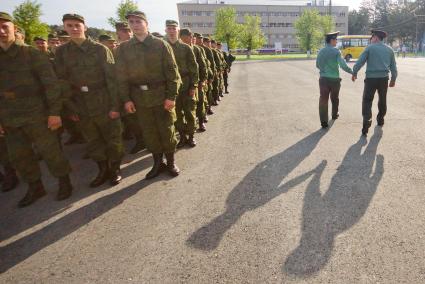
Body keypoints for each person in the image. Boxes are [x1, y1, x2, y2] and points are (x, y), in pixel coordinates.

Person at [0, 12, 73, 207]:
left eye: (4, 26)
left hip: (37, 113)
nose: (1, 31)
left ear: (14, 29)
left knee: (50, 151)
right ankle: (35, 186)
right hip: (9, 117)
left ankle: (64, 181)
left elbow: (51, 85)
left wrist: (55, 112)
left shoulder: (31, 54)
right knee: (19, 155)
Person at [55, 13, 124, 187]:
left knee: (112, 138)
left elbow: (112, 80)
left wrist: (115, 105)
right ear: (65, 28)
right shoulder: (62, 52)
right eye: (69, 26)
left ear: (85, 27)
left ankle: (114, 168)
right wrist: (70, 108)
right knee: (92, 139)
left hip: (103, 100)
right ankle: (102, 169)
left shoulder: (100, 49)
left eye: (77, 25)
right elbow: (62, 83)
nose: (74, 29)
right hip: (80, 103)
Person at [115, 11, 181, 179]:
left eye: (138, 21)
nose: (135, 24)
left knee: (166, 130)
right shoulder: (124, 48)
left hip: (161, 96)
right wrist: (126, 99)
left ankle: (171, 162)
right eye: (131, 22)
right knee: (149, 132)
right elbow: (121, 77)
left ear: (146, 23)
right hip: (140, 99)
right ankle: (157, 163)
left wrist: (171, 96)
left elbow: (173, 74)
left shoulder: (160, 45)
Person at [352, 30, 397, 136]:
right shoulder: (390, 50)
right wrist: (393, 79)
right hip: (384, 79)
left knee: (367, 101)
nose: (371, 40)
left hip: (371, 79)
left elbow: (360, 62)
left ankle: (366, 123)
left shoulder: (369, 48)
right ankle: (380, 120)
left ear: (376, 38)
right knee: (382, 99)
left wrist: (354, 72)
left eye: (371, 38)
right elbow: (393, 67)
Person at [165, 20, 199, 148]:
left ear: (177, 30)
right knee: (177, 115)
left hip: (186, 85)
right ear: (166, 30)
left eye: (174, 28)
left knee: (189, 112)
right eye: (169, 28)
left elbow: (194, 68)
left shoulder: (185, 47)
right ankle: (182, 137)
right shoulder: (162, 47)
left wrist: (193, 86)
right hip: (171, 89)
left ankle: (191, 136)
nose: (172, 31)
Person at [316, 31, 353, 128]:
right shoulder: (336, 51)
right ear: (332, 40)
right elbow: (343, 65)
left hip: (323, 79)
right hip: (334, 80)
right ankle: (334, 114)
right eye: (336, 39)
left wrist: (324, 70)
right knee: (335, 98)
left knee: (323, 99)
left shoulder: (320, 51)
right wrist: (352, 72)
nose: (336, 41)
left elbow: (317, 65)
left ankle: (324, 122)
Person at [186, 31, 208, 132]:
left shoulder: (197, 49)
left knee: (199, 102)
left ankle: (201, 121)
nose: (193, 39)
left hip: (197, 81)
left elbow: (203, 66)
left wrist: (203, 80)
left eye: (193, 37)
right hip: (184, 82)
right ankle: (189, 126)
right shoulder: (178, 49)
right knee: (187, 105)